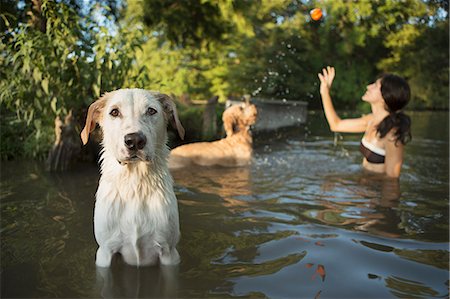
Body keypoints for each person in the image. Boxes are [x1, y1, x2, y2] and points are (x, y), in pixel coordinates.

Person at [318, 66, 411, 178]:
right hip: (363, 186)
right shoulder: (370, 120)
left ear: (384, 96)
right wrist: (325, 92)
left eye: (375, 85)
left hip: (374, 191)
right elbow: (336, 125)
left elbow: (392, 179)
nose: (368, 86)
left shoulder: (392, 135)